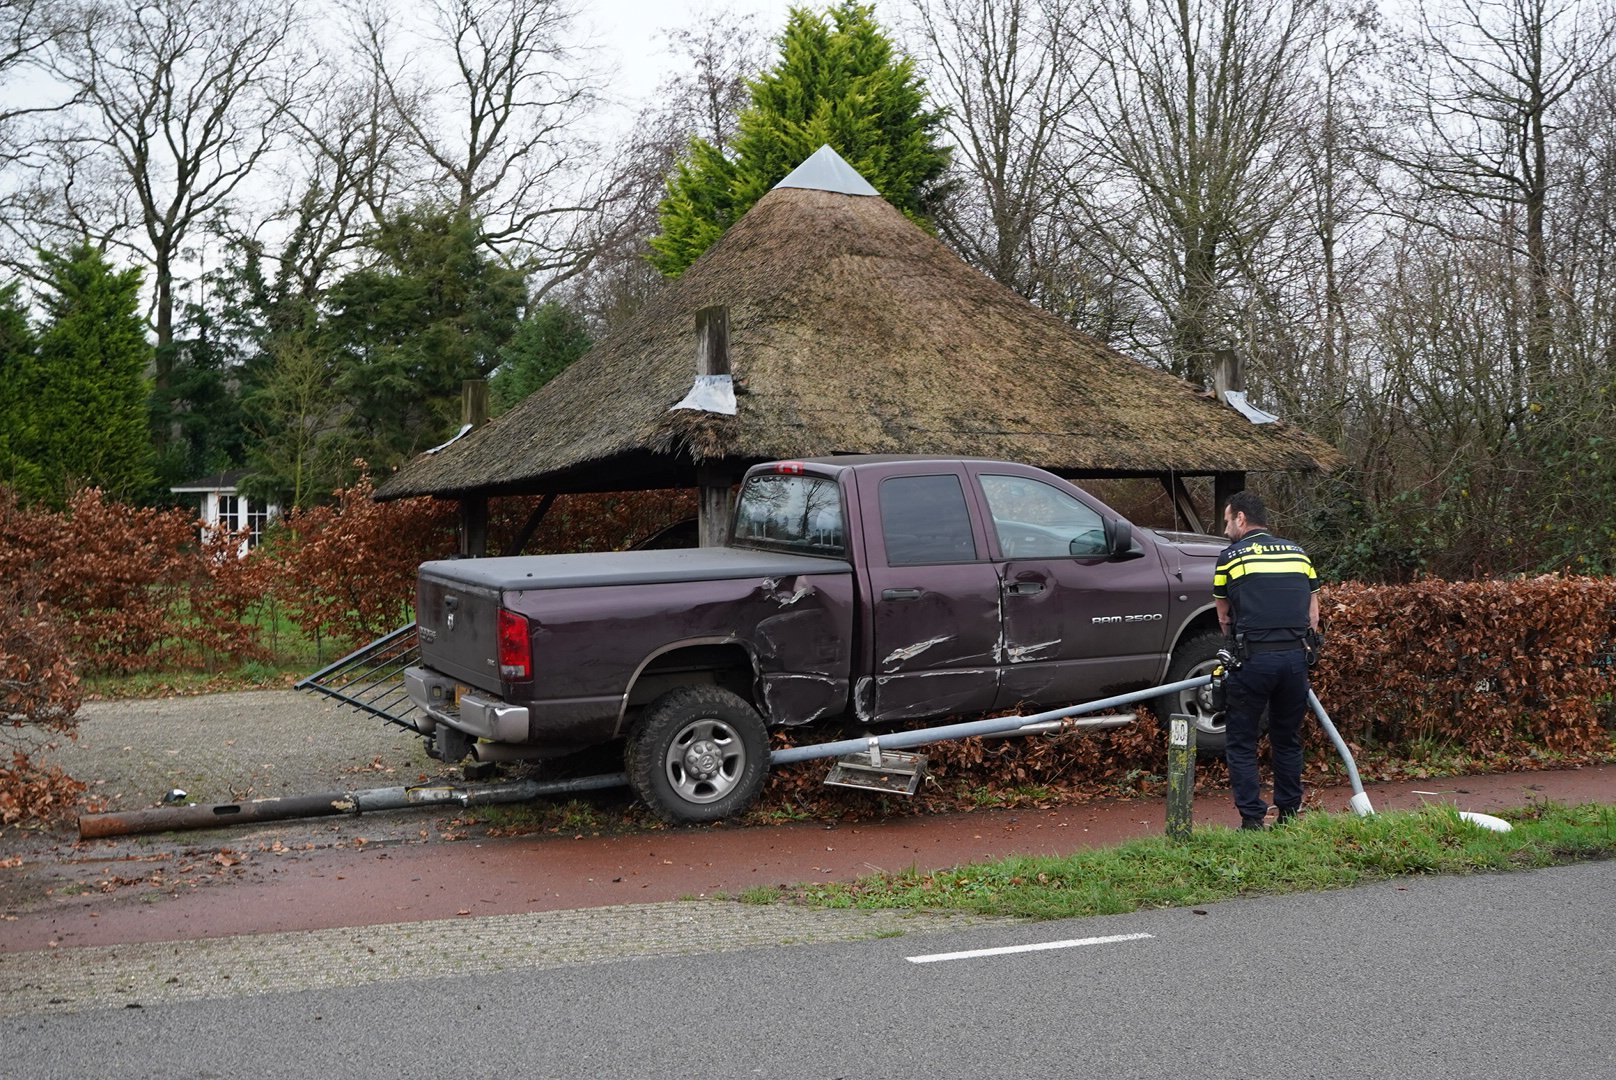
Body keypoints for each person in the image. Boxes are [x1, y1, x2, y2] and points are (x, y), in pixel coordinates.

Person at [1213, 490, 1320, 830]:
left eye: (1228, 520)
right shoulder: (1299, 554)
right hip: (1295, 660)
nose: (1226, 527)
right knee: (1287, 739)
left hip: (1253, 660)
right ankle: (1288, 815)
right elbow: (1313, 612)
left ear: (1241, 519)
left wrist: (1232, 643)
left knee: (1242, 741)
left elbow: (1223, 614)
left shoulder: (1230, 557)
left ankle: (1253, 820)